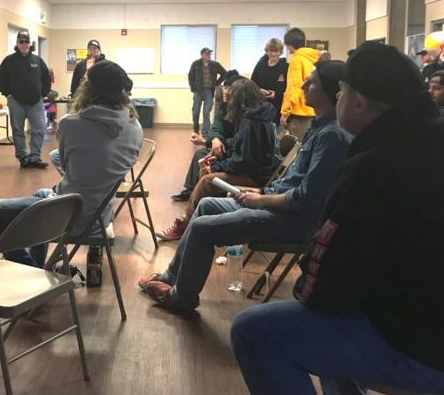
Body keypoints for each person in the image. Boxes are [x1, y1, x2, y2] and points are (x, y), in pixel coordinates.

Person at [230, 42, 444, 395]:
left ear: (358, 103)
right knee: (337, 305)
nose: (337, 97)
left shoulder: (378, 165)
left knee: (254, 331)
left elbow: (325, 288)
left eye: (341, 92)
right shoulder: (439, 150)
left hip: (437, 354)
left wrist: (307, 285)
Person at [142, 61, 351, 306]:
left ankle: (182, 298)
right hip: (275, 205)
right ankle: (170, 277)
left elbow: (307, 198)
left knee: (201, 228)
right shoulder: (320, 128)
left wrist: (261, 199)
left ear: (330, 91)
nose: (303, 84)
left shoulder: (331, 136)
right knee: (207, 204)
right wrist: (263, 191)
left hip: (290, 221)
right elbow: (295, 183)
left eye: (311, 81)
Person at [0, 61, 143, 268]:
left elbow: (66, 163)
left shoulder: (70, 123)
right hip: (101, 214)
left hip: (71, 217)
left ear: (87, 90)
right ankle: (37, 266)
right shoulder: (136, 127)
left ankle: (25, 266)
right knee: (41, 193)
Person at [157, 79, 283, 241]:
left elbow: (243, 161)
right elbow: (241, 150)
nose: (229, 98)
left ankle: (185, 224)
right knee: (207, 171)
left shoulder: (251, 122)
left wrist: (216, 168)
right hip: (259, 170)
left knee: (208, 180)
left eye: (233, 95)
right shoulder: (258, 116)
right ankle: (200, 220)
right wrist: (218, 160)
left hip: (257, 176)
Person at [172, 72, 244, 202]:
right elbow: (216, 128)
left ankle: (200, 194)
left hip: (233, 153)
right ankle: (191, 190)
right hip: (224, 148)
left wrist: (208, 142)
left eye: (231, 89)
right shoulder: (224, 107)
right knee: (200, 154)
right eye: (226, 87)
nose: (226, 92)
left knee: (203, 155)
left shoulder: (245, 114)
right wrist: (215, 140)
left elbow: (239, 140)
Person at [0, 31, 51, 169]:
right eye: (21, 42)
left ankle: (34, 157)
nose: (24, 44)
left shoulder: (38, 61)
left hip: (36, 102)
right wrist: (7, 94)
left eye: (26, 41)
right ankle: (22, 157)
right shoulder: (9, 61)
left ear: (30, 43)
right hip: (16, 101)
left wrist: (42, 94)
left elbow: (46, 78)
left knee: (39, 129)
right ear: (17, 44)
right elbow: (0, 79)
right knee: (18, 130)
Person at [280, 28, 319, 139]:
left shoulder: (297, 60)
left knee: (296, 149)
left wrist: (285, 112)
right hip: (314, 110)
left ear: (289, 43)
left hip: (301, 113)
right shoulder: (313, 58)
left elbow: (294, 87)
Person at [188, 47, 227, 138]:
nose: (209, 55)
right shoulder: (196, 64)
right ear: (202, 55)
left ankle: (205, 133)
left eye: (210, 54)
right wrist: (193, 88)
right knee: (195, 111)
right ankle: (196, 129)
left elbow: (224, 73)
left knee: (206, 112)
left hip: (209, 91)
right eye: (207, 54)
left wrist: (216, 83)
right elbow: (191, 76)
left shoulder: (214, 64)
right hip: (198, 91)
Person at [250, 38, 289, 125]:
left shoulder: (285, 67)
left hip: (278, 108)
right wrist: (259, 90)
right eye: (271, 51)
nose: (273, 54)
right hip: (261, 106)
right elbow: (252, 84)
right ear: (267, 51)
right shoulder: (260, 65)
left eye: (276, 51)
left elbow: (289, 89)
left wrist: (277, 94)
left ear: (280, 52)